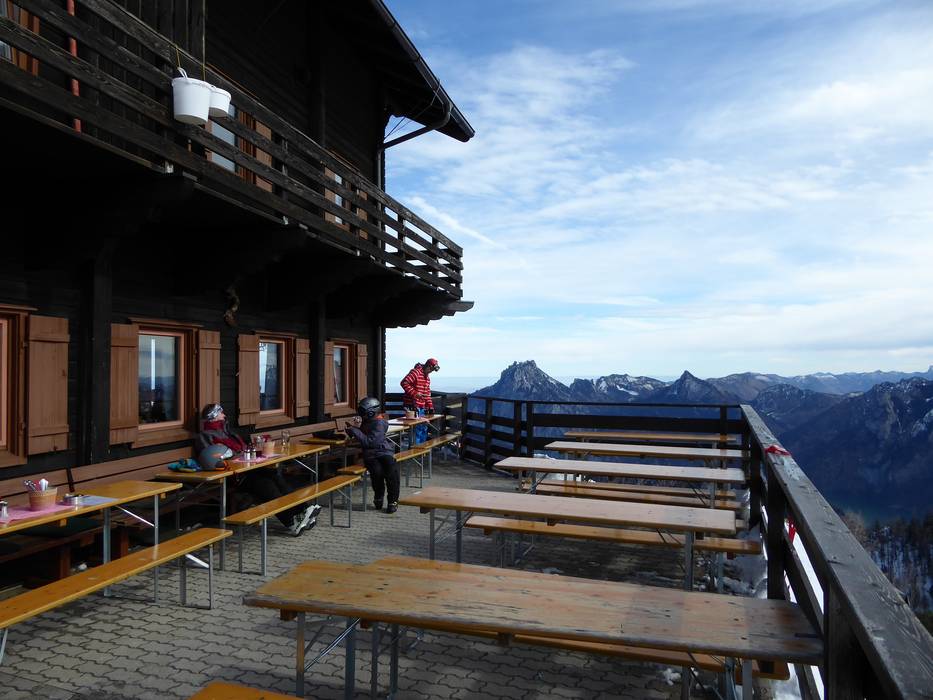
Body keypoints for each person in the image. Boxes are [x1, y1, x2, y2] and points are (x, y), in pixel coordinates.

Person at [196, 403, 319, 536]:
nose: (224, 415)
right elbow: (211, 459)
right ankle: (291, 521)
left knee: (276, 477)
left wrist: (252, 452)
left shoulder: (229, 432)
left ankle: (303, 510)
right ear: (213, 416)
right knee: (266, 486)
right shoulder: (205, 436)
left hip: (249, 469)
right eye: (221, 413)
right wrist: (237, 457)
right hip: (234, 476)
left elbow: (243, 449)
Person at [343, 397, 400, 514]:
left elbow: (370, 442)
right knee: (377, 472)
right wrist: (354, 428)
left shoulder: (379, 423)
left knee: (391, 471)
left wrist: (354, 430)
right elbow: (362, 436)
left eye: (364, 412)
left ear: (371, 412)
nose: (362, 415)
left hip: (384, 452)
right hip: (371, 455)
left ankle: (392, 501)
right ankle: (379, 496)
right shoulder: (367, 421)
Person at [400, 358, 439, 445]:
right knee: (416, 430)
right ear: (428, 366)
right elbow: (404, 383)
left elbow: (427, 394)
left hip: (421, 407)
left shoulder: (427, 378)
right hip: (412, 406)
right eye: (431, 369)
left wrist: (431, 407)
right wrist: (415, 393)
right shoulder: (415, 372)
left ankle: (422, 450)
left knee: (423, 428)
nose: (431, 371)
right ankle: (415, 450)